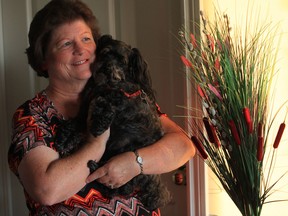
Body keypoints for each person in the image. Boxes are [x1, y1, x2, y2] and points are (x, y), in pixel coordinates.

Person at [7, 0, 195, 215]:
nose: (81, 49)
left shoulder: (121, 95)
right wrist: (97, 142)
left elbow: (183, 146)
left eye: (86, 39)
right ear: (43, 60)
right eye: (66, 44)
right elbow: (47, 190)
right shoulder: (32, 115)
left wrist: (135, 162)